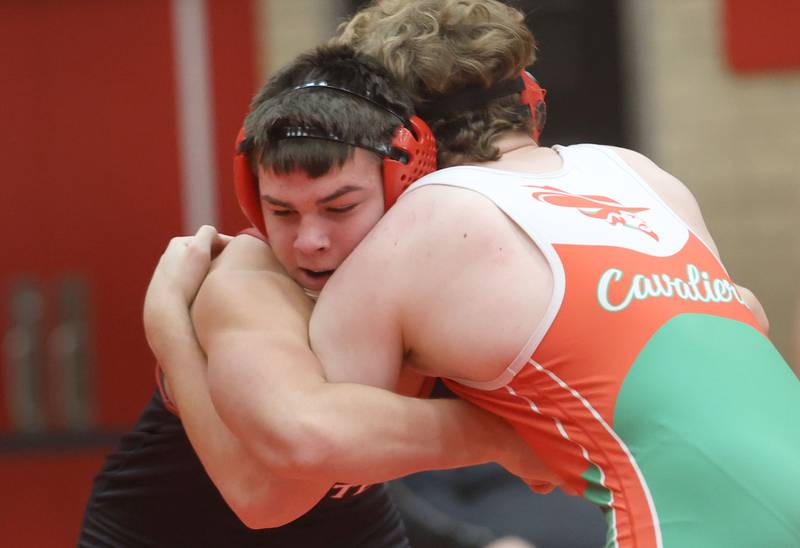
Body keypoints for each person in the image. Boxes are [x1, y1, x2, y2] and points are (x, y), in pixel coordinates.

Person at [150, 1, 800, 546]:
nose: (313, 238)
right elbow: (748, 314)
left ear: (397, 142)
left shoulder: (417, 229)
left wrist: (168, 325)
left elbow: (276, 486)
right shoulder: (637, 173)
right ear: (530, 102)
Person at [79, 44, 551, 548]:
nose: (309, 242)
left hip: (350, 524)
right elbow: (265, 498)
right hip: (173, 532)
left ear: (405, 183)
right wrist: (168, 327)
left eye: (339, 208)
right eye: (281, 212)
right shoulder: (246, 281)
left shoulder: (442, 266)